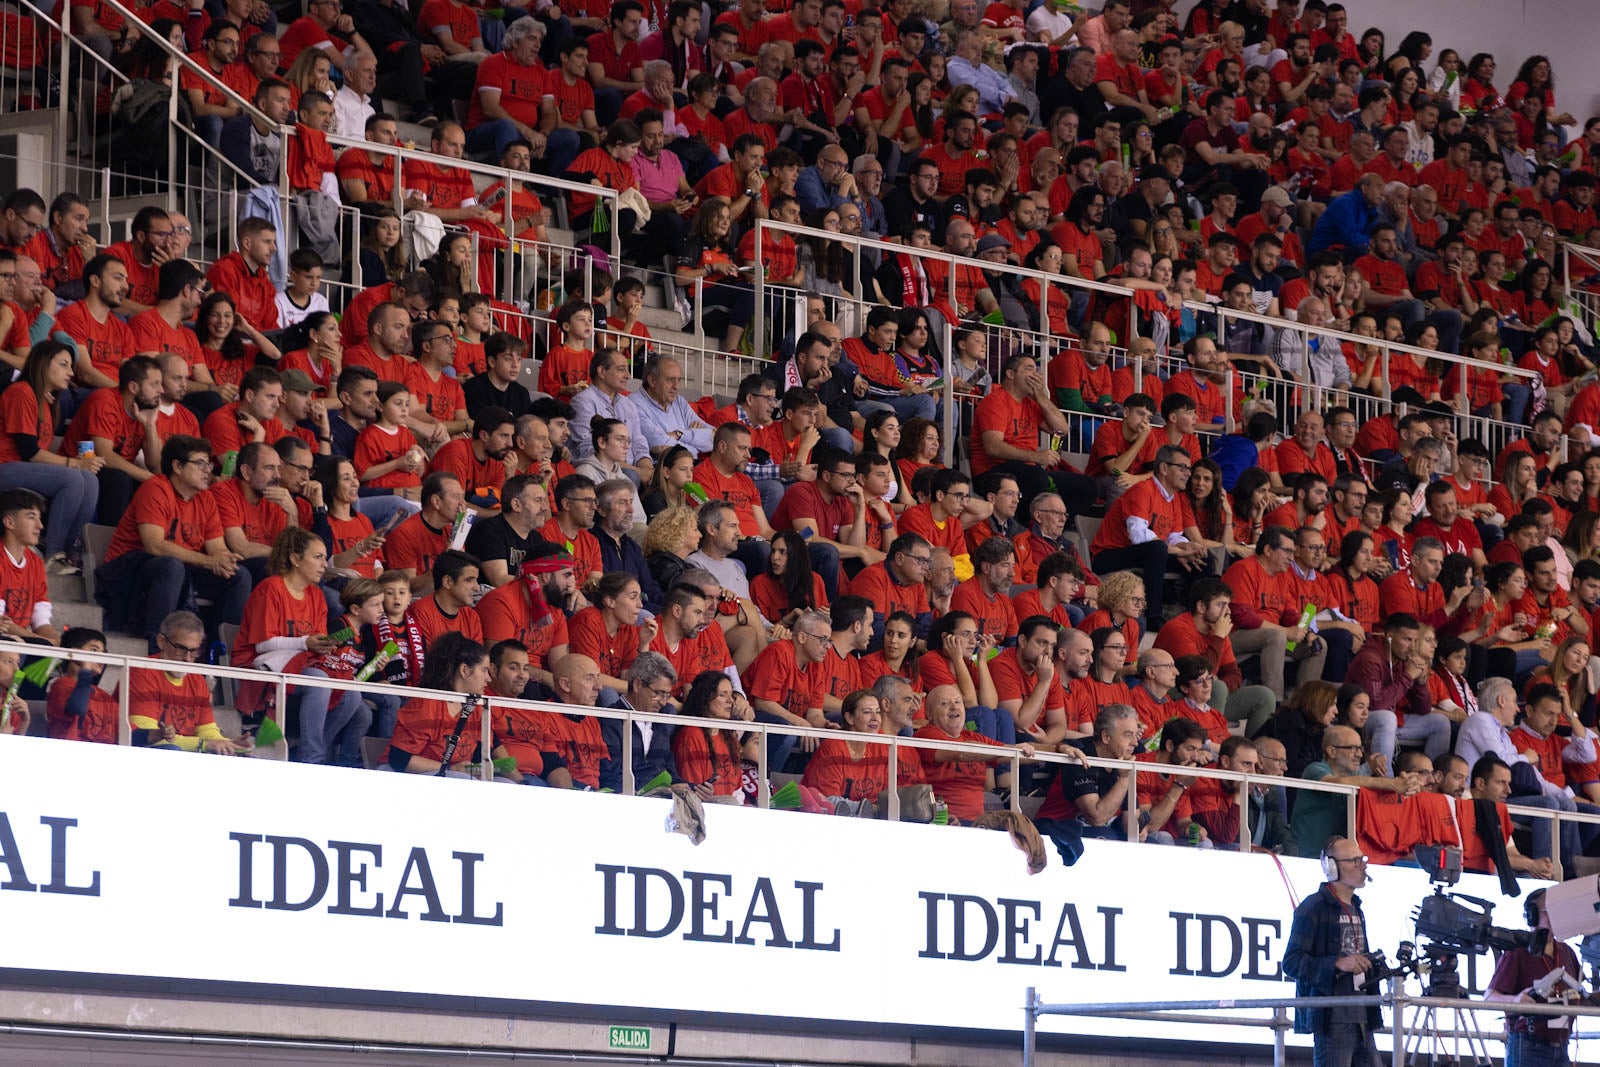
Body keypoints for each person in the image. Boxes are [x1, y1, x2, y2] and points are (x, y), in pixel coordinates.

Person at [96, 434, 251, 650]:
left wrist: (225, 560)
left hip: (182, 568)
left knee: (239, 575)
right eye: (201, 464)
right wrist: (208, 561)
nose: (209, 470)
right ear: (177, 466)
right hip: (132, 569)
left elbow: (217, 549)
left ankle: (219, 651)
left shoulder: (205, 498)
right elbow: (155, 545)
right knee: (171, 566)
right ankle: (156, 646)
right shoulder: (156, 488)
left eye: (209, 464)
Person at [234, 528, 371, 765]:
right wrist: (305, 642)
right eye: (317, 557)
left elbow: (312, 643)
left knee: (351, 693)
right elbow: (261, 645)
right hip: (260, 665)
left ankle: (311, 753)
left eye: (324, 557)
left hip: (300, 664)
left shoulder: (317, 596)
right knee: (318, 681)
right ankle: (313, 758)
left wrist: (324, 645)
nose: (323, 564)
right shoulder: (271, 588)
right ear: (295, 559)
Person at [1282, 837, 1385, 1067]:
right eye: (1354, 860)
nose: (1363, 865)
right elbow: (1291, 962)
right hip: (1332, 1021)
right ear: (1331, 866)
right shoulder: (1313, 907)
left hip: (1362, 1018)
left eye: (1362, 859)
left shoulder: (1357, 908)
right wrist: (1337, 964)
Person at [0, 341, 101, 571]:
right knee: (73, 477)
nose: (71, 373)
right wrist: (74, 463)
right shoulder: (21, 391)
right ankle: (52, 551)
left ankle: (64, 551)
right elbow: (29, 452)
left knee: (91, 481)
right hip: (5, 466)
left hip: (22, 469)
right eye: (64, 365)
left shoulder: (45, 402)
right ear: (44, 364)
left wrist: (78, 465)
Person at [124, 610, 253, 754]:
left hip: (184, 753)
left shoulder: (197, 679)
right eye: (181, 649)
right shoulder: (142, 672)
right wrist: (206, 744)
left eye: (194, 651)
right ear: (161, 642)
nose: (187, 658)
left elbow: (207, 731)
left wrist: (227, 744)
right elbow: (147, 738)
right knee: (170, 750)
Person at [1486, 888, 1588, 1067]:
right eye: (1552, 910)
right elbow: (1489, 997)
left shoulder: (1567, 952)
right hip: (1529, 1046)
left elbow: (1580, 997)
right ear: (1532, 915)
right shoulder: (1517, 951)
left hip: (1562, 1048)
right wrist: (1515, 1001)